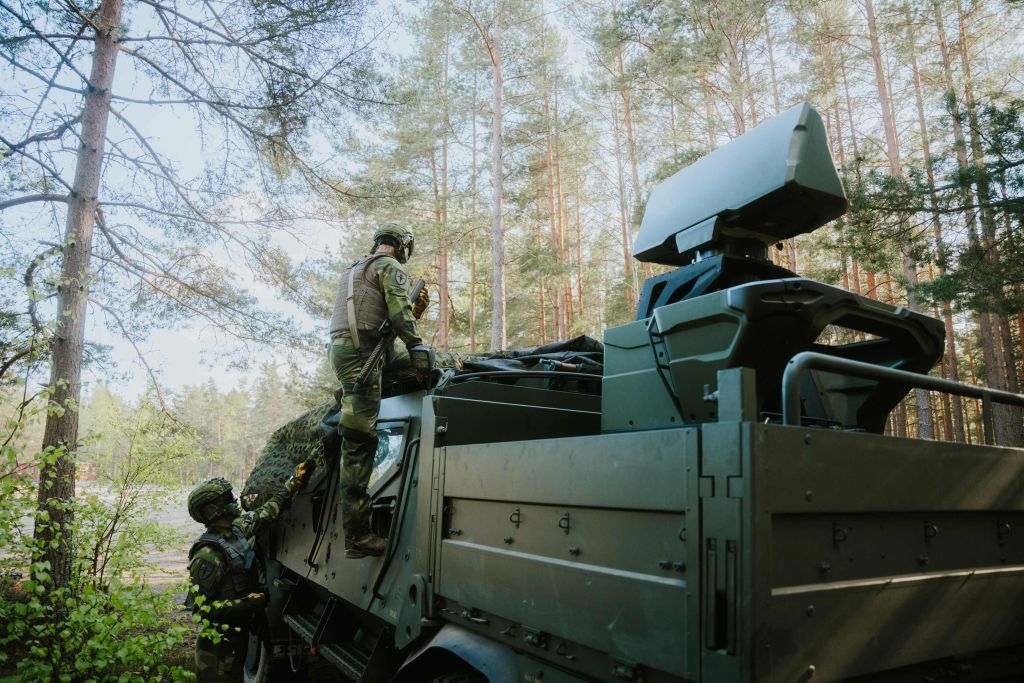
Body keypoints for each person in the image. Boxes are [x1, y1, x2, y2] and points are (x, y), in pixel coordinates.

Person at [328, 222, 428, 558]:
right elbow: (398, 314)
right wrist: (417, 345)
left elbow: (381, 317)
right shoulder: (390, 267)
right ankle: (357, 537)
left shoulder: (354, 270)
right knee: (359, 443)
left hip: (353, 352)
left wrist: (413, 313)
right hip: (363, 357)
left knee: (439, 362)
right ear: (402, 247)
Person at [186, 462, 311, 682]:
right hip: (216, 650)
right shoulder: (208, 554)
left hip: (238, 639)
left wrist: (294, 481)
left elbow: (267, 511)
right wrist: (249, 603)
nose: (235, 501)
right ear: (214, 510)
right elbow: (202, 609)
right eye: (228, 499)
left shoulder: (237, 530)